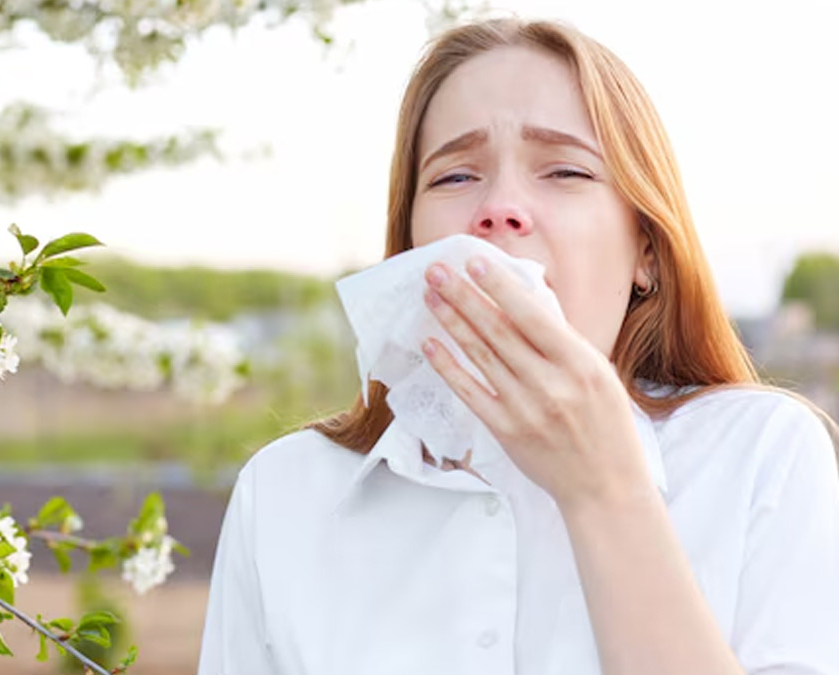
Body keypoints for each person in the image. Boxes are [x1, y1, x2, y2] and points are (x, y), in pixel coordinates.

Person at [196, 16, 839, 675]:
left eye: (564, 171)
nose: (499, 208)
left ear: (645, 248)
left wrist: (604, 491)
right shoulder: (282, 494)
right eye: (453, 177)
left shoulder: (764, 455)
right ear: (413, 242)